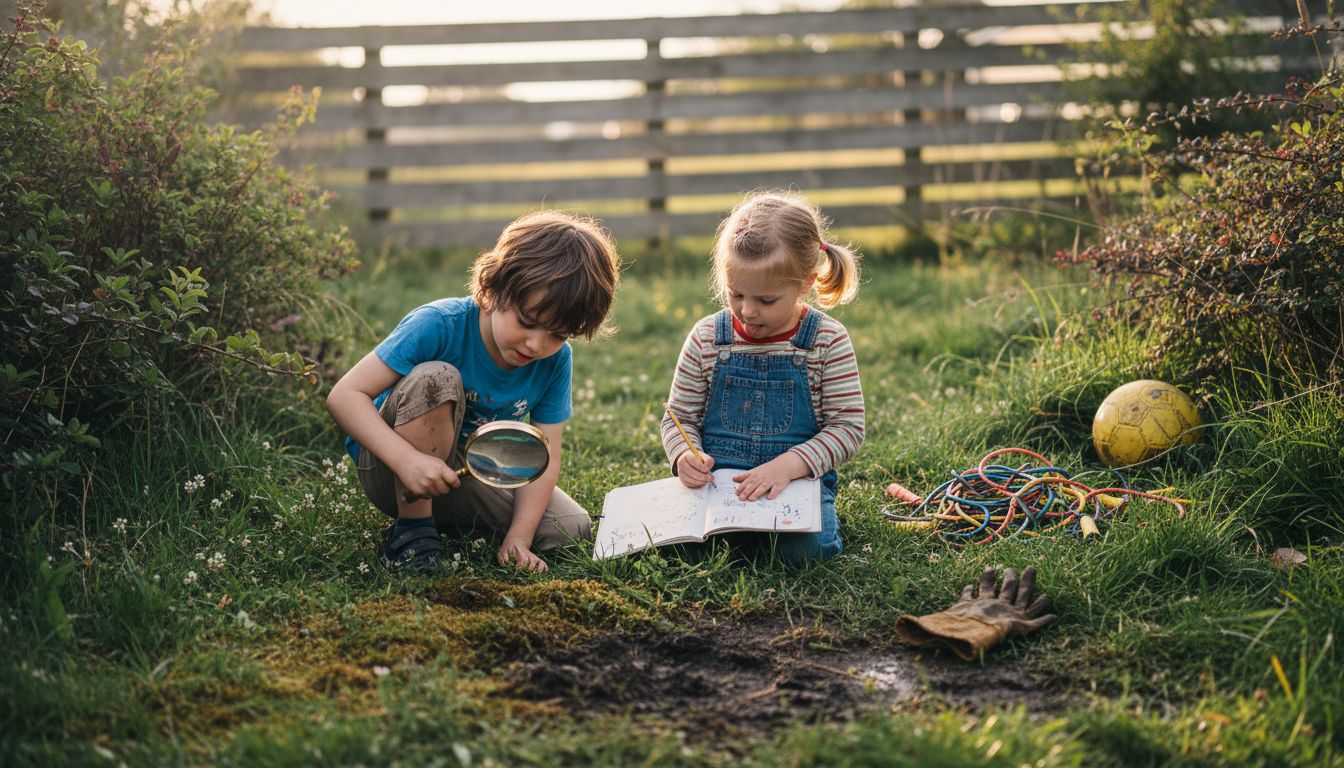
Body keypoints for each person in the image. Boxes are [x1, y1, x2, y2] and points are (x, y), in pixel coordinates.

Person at [328, 211, 620, 573]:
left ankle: (445, 521)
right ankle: (414, 530)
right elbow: (344, 395)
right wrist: (406, 460)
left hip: (470, 470)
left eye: (558, 334)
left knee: (570, 526)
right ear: (490, 290)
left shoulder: (555, 360)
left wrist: (519, 537)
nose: (536, 344)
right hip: (392, 467)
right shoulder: (438, 324)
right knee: (437, 377)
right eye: (527, 322)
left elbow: (543, 454)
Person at [661, 191, 864, 562]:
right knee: (679, 551)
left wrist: (788, 466)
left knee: (805, 554)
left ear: (806, 283)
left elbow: (847, 427)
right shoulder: (708, 337)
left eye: (766, 300)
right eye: (735, 294)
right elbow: (679, 418)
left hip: (794, 486)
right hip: (718, 490)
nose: (747, 311)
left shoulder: (826, 340)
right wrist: (683, 456)